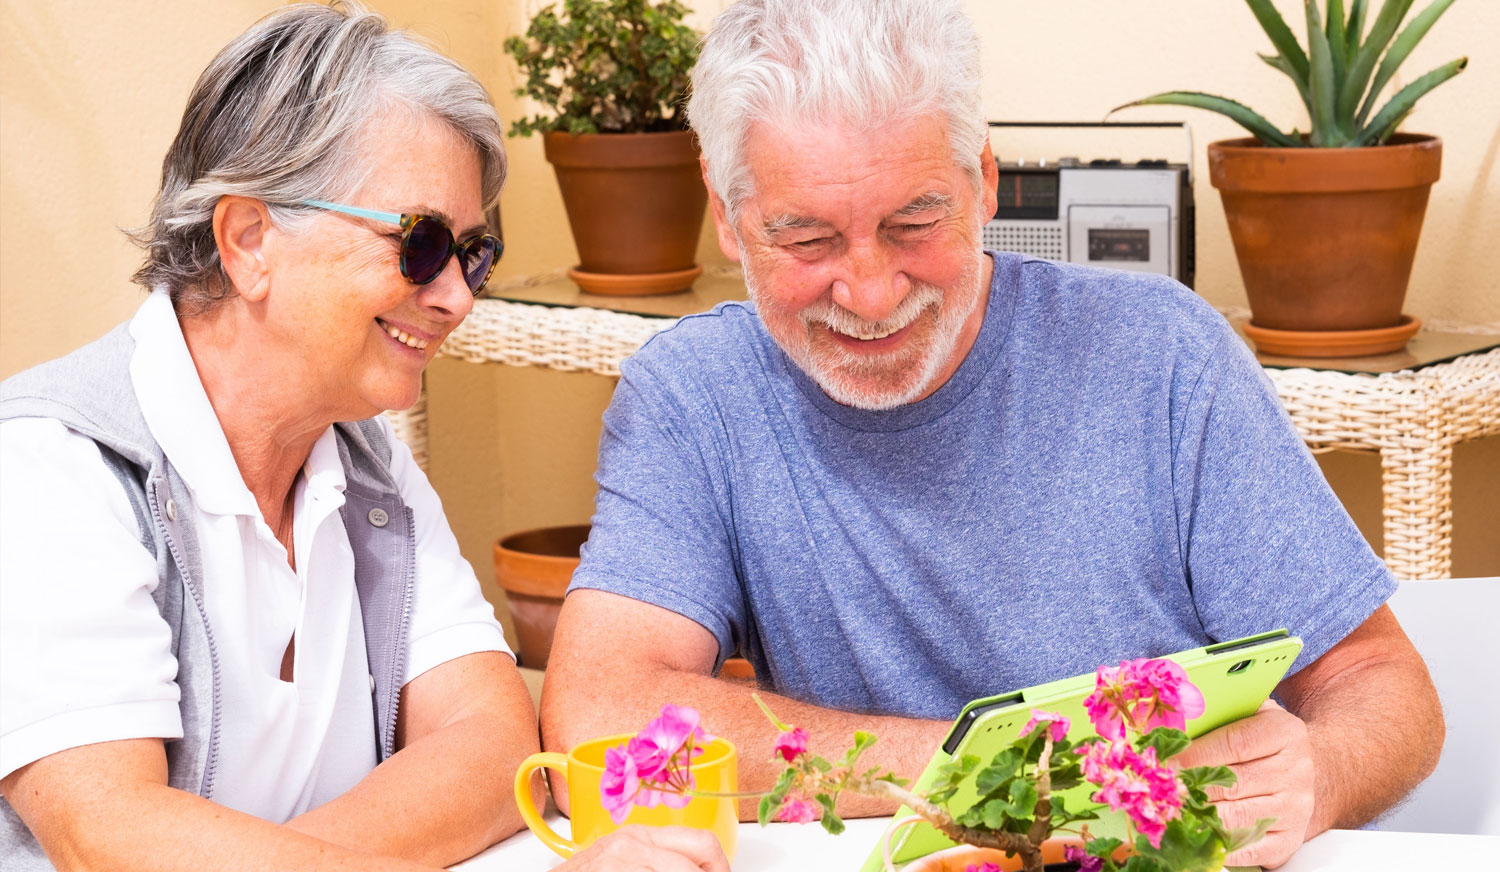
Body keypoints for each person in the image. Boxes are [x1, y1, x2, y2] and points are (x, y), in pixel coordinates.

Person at [539, 0, 1444, 867]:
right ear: (729, 214)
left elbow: (1382, 688)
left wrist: (1317, 776)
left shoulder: (1162, 354)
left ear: (984, 181)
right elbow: (600, 712)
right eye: (806, 239)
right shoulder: (695, 395)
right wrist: (1024, 777)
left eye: (914, 223)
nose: (871, 292)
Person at [0, 5, 726, 872]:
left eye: (473, 253)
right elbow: (111, 836)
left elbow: (496, 746)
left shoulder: (364, 460)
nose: (458, 295)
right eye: (420, 244)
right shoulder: (55, 468)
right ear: (250, 239)